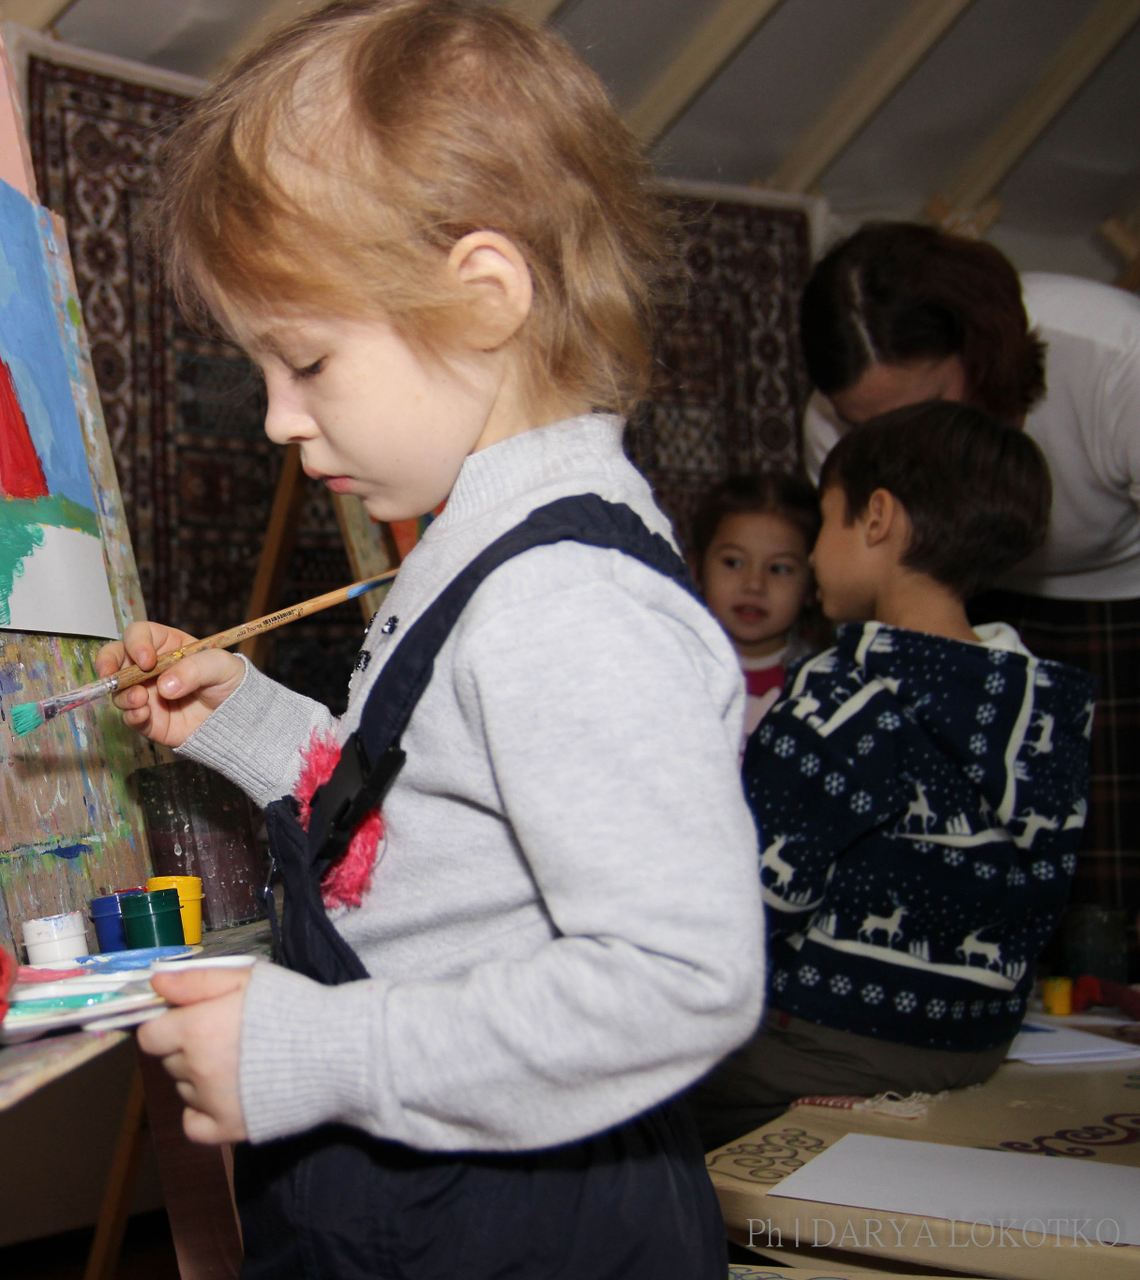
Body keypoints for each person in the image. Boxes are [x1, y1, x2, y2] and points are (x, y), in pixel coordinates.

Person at [95, 4, 763, 1274]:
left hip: (516, 1223)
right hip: (432, 1194)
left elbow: (683, 977)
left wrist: (315, 1050)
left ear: (482, 299)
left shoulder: (566, 603)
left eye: (306, 362)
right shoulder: (484, 541)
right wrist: (248, 720)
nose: (279, 419)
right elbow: (423, 816)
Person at [688, 401, 1096, 1151]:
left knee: (634, 1103)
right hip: (976, 1041)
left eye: (825, 524)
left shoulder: (838, 693)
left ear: (876, 518)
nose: (815, 556)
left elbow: (755, 898)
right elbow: (1044, 892)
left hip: (826, 1041)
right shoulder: (1045, 707)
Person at [800, 222, 1140, 977]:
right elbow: (879, 592)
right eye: (866, 425)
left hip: (1127, 590)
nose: (900, 441)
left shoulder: (1115, 359)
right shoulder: (831, 422)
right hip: (969, 597)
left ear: (981, 357)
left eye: (924, 404)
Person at [689, 474, 821, 735]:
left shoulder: (820, 681)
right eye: (734, 563)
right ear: (696, 570)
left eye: (779, 569)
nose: (754, 585)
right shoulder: (681, 665)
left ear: (812, 586)